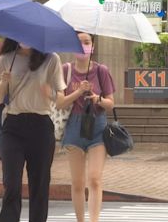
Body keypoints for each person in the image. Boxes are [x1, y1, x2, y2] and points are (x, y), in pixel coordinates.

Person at [0, 38, 66, 222]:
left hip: (41, 126)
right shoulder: (5, 60)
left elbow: (61, 99)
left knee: (39, 186)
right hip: (13, 126)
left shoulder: (51, 59)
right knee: (11, 184)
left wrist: (50, 93)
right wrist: (3, 83)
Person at [57, 32, 115, 222]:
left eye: (87, 42)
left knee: (95, 179)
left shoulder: (101, 71)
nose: (82, 46)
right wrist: (79, 91)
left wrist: (97, 98)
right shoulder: (65, 69)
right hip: (73, 126)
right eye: (78, 43)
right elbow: (60, 103)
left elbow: (110, 104)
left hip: (97, 125)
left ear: (93, 47)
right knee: (77, 183)